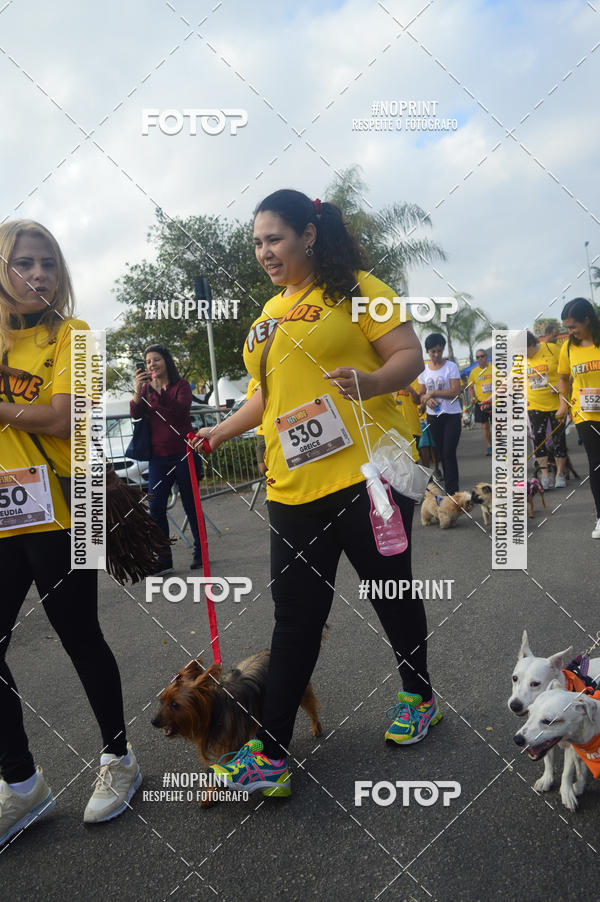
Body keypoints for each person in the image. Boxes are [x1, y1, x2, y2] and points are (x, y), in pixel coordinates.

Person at [193, 189, 440, 798]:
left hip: (367, 479)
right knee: (295, 618)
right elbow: (266, 396)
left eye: (274, 238)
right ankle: (271, 755)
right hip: (292, 487)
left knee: (389, 591)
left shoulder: (358, 289)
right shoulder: (266, 316)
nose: (264, 252)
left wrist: (373, 380)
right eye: (256, 242)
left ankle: (419, 696)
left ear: (308, 233)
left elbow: (407, 354)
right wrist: (219, 431)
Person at [0, 220, 141, 846]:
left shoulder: (76, 337)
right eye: (23, 262)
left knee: (80, 636)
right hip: (4, 511)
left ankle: (119, 760)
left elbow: (60, 419)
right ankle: (21, 784)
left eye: (48, 263)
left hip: (72, 501)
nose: (37, 274)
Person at [131, 344, 203, 572]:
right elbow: (135, 413)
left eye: (156, 360)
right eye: (149, 361)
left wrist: (159, 392)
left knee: (191, 506)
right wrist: (138, 389)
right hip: (158, 459)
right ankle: (163, 559)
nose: (152, 364)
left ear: (166, 361)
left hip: (183, 453)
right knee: (156, 507)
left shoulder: (180, 386)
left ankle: (201, 551)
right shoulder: (146, 390)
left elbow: (181, 412)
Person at [557, 298, 600, 538]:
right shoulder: (568, 348)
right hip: (585, 414)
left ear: (587, 319)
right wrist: (563, 402)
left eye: (573, 327)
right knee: (596, 462)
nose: (570, 332)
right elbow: (563, 378)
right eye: (566, 328)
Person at [418, 334, 462, 493]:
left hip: (451, 415)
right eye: (432, 351)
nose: (436, 355)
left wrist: (434, 393)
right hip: (433, 417)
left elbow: (456, 392)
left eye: (439, 351)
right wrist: (426, 399)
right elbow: (421, 394)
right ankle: (449, 490)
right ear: (427, 351)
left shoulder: (451, 367)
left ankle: (453, 492)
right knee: (442, 454)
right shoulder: (423, 370)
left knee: (449, 452)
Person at [526, 330, 567, 489]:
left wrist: (560, 386)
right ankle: (545, 476)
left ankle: (560, 474)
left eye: (525, 351)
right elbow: (512, 380)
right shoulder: (520, 360)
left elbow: (567, 371)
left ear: (532, 344)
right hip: (535, 404)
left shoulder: (551, 349)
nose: (523, 355)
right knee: (539, 440)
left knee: (558, 439)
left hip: (556, 403)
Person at [467, 348, 493, 455]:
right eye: (478, 357)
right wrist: (473, 398)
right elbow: (470, 387)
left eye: (482, 356)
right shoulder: (474, 372)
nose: (480, 359)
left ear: (486, 357)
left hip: (495, 402)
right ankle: (489, 446)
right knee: (485, 426)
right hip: (481, 402)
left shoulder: (494, 369)